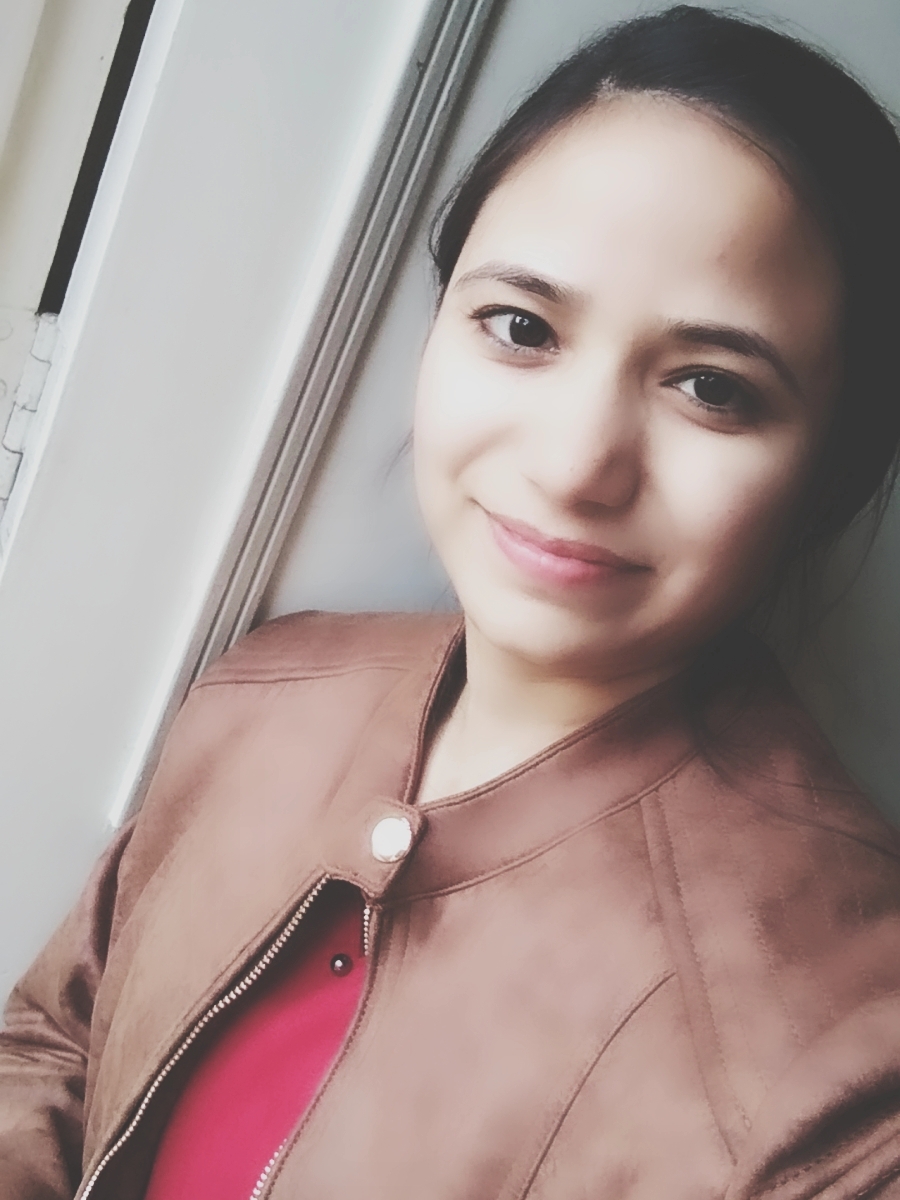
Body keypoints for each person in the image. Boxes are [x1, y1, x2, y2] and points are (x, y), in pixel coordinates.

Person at [3, 5, 900, 1198]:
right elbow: (55, 1040)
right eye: (521, 327)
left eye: (712, 388)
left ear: (832, 471)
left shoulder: (842, 1045)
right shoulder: (267, 691)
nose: (575, 465)